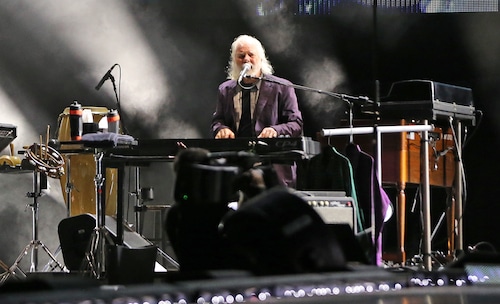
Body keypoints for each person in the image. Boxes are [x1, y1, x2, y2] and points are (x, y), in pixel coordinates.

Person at [211, 34, 303, 187]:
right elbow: (217, 121)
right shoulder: (225, 90)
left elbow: (296, 123)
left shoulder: (282, 87)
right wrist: (221, 129)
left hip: (273, 166)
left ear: (260, 58)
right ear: (234, 61)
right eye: (241, 56)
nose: (246, 59)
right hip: (238, 166)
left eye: (251, 55)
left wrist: (275, 130)